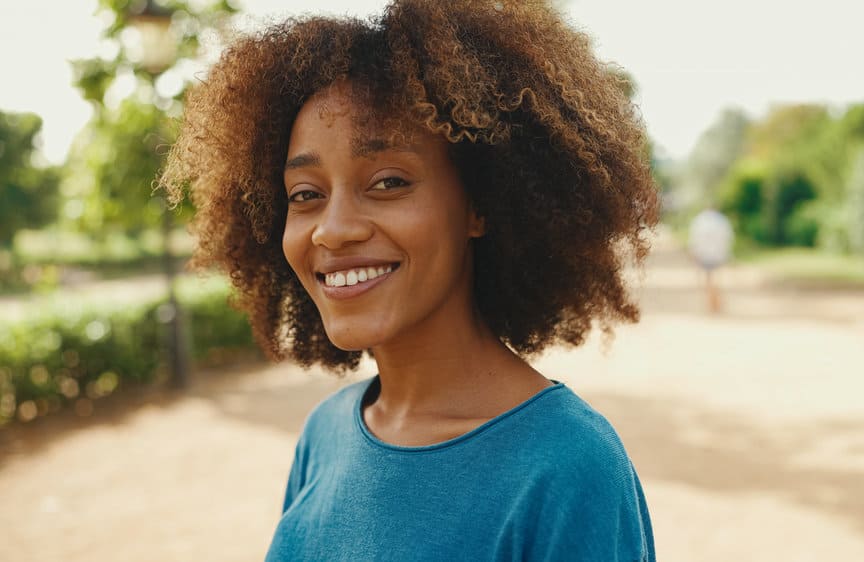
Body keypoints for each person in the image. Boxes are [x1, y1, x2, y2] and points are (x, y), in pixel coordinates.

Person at [160, 1, 659, 559]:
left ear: (479, 204)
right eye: (305, 194)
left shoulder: (566, 468)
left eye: (389, 182)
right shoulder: (324, 435)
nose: (333, 229)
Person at [688, 208, 734, 314]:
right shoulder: (722, 220)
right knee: (717, 278)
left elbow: (694, 238)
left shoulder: (699, 220)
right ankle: (715, 300)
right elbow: (728, 237)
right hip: (719, 254)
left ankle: (712, 301)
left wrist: (694, 252)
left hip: (704, 254)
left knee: (708, 279)